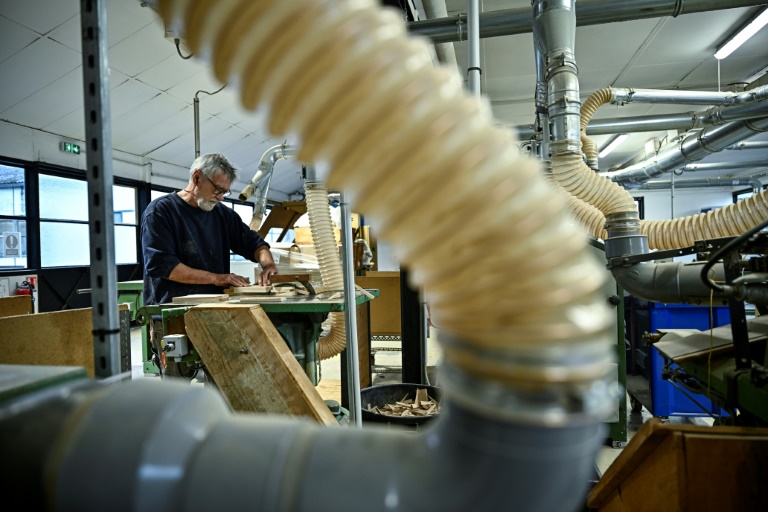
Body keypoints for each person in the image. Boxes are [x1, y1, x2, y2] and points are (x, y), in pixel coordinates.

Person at [141, 152, 279, 377]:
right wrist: (218, 278)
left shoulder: (221, 215)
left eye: (225, 192)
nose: (221, 197)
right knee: (177, 385)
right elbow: (163, 266)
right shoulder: (160, 212)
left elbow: (254, 243)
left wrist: (268, 265)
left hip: (216, 312)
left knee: (223, 381)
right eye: (218, 189)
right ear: (197, 178)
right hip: (173, 314)